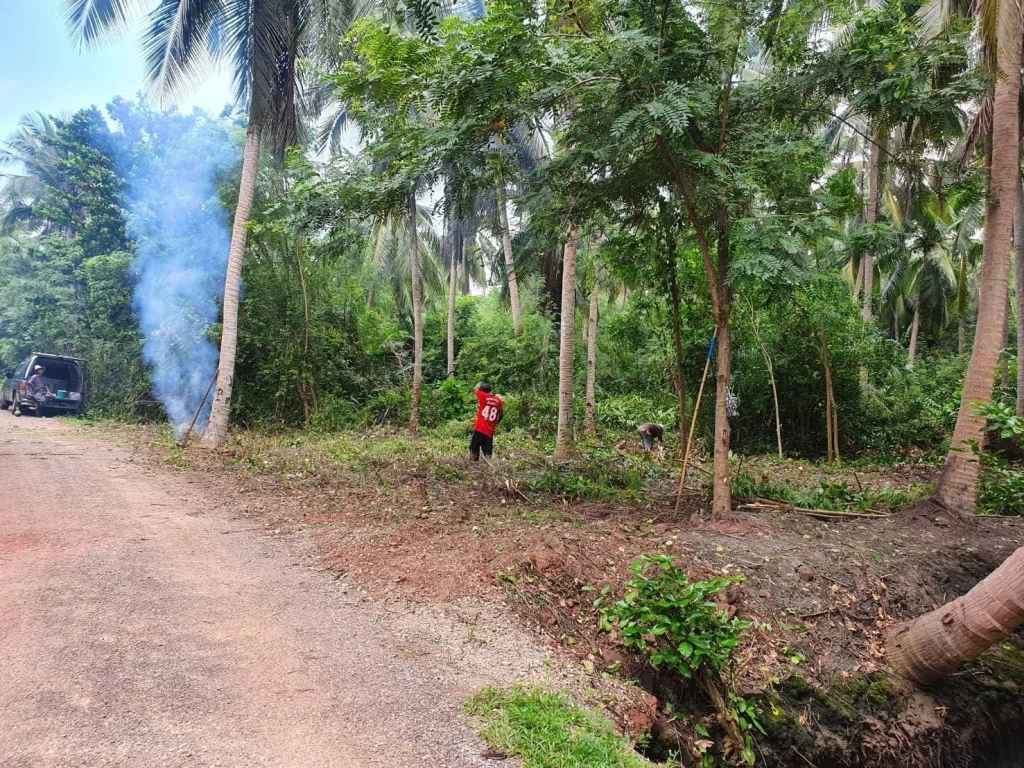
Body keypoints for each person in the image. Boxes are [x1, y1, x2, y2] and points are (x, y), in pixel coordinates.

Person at [471, 381, 504, 461]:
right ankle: (488, 469)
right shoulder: (499, 401)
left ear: (482, 390)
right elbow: (501, 414)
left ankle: (474, 465)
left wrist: (479, 383)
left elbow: (475, 389)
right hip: (489, 431)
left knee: (474, 448)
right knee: (488, 452)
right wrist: (496, 422)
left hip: (479, 428)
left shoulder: (483, 396)